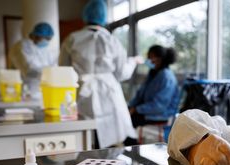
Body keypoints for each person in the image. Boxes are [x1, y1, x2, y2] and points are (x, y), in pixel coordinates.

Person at [59, 0, 141, 148]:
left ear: (85, 16)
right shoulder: (113, 40)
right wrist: (133, 62)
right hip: (109, 92)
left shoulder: (72, 39)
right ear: (104, 18)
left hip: (81, 91)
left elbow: (63, 70)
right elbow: (122, 73)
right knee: (111, 138)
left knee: (84, 139)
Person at [9, 22, 56, 99]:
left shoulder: (47, 48)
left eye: (49, 38)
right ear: (35, 36)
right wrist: (47, 74)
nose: (47, 41)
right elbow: (28, 71)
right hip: (24, 90)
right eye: (45, 38)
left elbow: (52, 65)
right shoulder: (21, 47)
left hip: (42, 91)